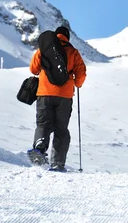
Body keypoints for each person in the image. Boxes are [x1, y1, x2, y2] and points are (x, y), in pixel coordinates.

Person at [27, 26, 87, 171]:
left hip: (44, 93)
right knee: (61, 129)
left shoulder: (44, 50)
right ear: (67, 37)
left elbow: (33, 69)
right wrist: (76, 83)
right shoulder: (73, 52)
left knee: (43, 124)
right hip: (64, 97)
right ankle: (58, 164)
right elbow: (81, 74)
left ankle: (40, 148)